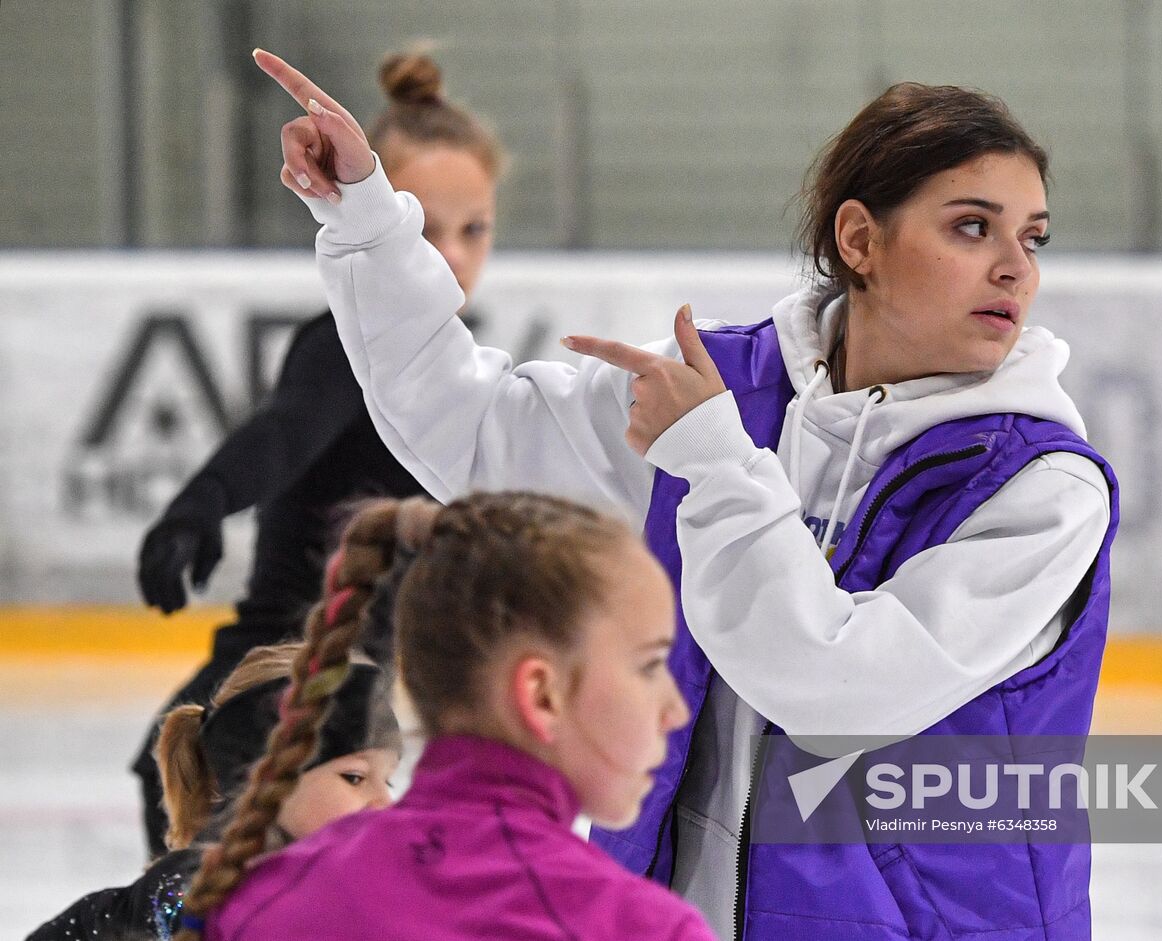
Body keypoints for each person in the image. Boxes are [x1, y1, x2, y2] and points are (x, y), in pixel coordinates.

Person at [256, 48, 1118, 940]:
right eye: (973, 227)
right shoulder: (721, 394)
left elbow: (833, 691)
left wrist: (713, 461)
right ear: (859, 240)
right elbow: (468, 425)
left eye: (1033, 236)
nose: (1018, 268)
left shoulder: (1040, 489)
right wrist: (365, 221)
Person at [131, 48, 502, 857]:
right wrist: (200, 503)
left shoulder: (456, 364)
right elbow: (285, 431)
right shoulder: (349, 343)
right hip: (287, 665)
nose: (455, 255)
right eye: (427, 226)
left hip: (345, 684)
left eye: (474, 229)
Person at [172, 493, 715, 941]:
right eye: (648, 666)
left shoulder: (260, 901)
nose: (674, 709)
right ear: (540, 694)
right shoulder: (636, 928)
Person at [27, 642, 400, 941]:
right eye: (354, 777)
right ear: (262, 782)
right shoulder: (197, 894)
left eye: (390, 779)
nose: (385, 803)